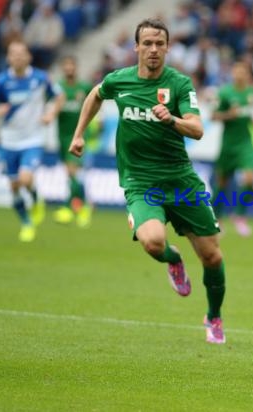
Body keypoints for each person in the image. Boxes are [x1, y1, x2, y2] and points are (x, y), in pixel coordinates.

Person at [68, 18, 226, 344]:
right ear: (137, 47)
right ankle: (174, 259)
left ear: (167, 47)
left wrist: (173, 120)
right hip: (140, 181)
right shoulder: (119, 80)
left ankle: (213, 317)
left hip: (181, 181)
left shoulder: (179, 84)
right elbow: (95, 95)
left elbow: (197, 129)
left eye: (159, 43)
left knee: (212, 256)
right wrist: (79, 134)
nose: (153, 49)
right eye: (148, 43)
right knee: (153, 242)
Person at [0, 39, 64, 242]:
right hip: (9, 140)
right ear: (8, 57)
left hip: (32, 139)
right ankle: (26, 223)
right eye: (13, 53)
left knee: (25, 179)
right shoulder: (1, 81)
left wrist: (51, 114)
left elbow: (59, 97)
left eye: (21, 53)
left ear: (28, 56)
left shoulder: (41, 78)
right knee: (14, 186)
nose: (17, 57)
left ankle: (35, 198)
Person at [211, 61, 253, 236]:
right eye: (237, 72)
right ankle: (216, 218)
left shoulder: (251, 92)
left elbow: (248, 112)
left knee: (250, 178)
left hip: (245, 143)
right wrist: (228, 115)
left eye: (243, 72)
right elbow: (213, 116)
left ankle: (239, 216)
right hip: (228, 143)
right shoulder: (224, 93)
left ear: (247, 74)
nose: (239, 75)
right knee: (222, 182)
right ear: (233, 74)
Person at [53, 55, 93, 228]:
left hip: (78, 136)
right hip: (61, 137)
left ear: (76, 68)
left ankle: (75, 207)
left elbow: (94, 105)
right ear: (63, 68)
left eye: (72, 66)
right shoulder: (57, 89)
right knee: (70, 174)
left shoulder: (84, 88)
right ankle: (82, 206)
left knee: (72, 172)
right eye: (66, 66)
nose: (69, 69)